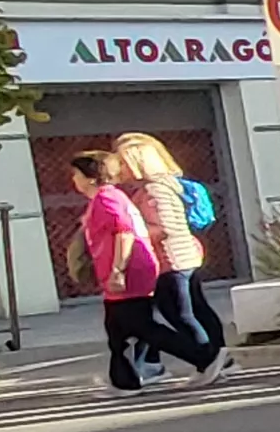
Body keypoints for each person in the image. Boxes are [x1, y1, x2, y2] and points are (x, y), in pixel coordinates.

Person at [71, 149, 223, 394]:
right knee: (117, 329)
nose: (73, 180)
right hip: (127, 271)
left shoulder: (107, 199)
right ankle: (124, 381)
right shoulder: (108, 198)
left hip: (130, 271)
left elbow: (124, 232)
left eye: (76, 174)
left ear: (90, 177)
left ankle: (204, 357)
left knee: (142, 326)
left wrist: (118, 270)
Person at [110, 133, 221, 355]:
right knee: (196, 311)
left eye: (123, 162)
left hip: (171, 261)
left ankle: (209, 359)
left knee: (180, 315)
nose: (119, 168)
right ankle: (218, 355)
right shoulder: (161, 186)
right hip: (182, 258)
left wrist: (132, 233)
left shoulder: (155, 190)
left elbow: (164, 228)